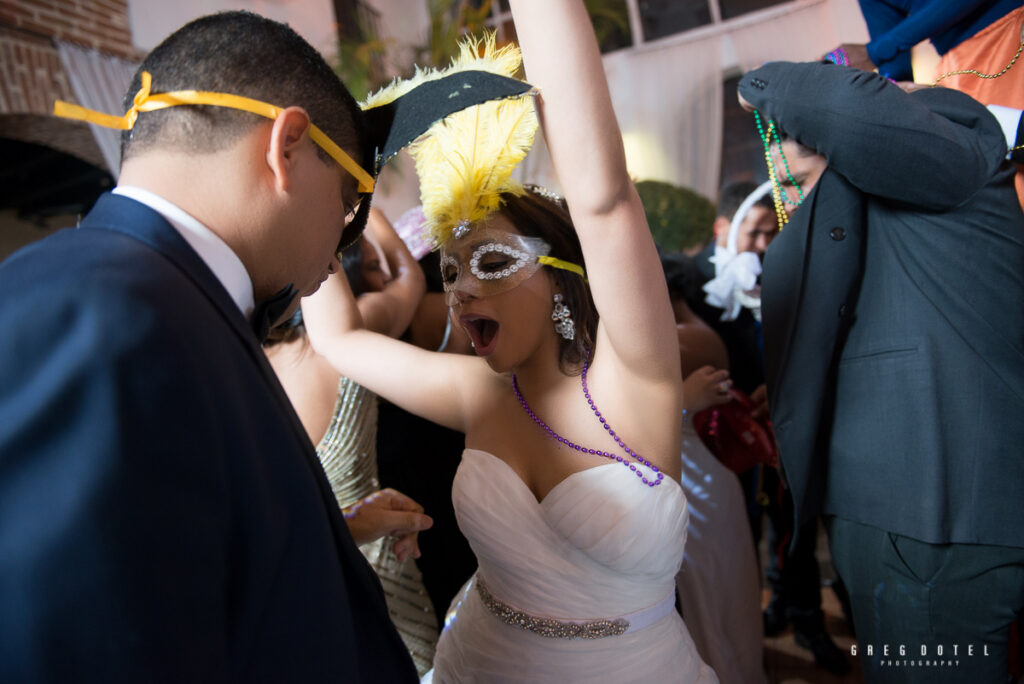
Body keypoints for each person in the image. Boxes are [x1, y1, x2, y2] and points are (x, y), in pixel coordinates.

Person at [0, 12, 422, 681]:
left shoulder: (168, 298)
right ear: (286, 149)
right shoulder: (106, 318)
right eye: (348, 203)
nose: (338, 249)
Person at [301, 2, 716, 680]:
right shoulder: (478, 392)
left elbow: (604, 198)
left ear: (560, 279)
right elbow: (342, 339)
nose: (461, 290)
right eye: (451, 271)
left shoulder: (633, 377)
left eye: (492, 263)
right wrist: (328, 198)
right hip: (478, 659)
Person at [739, 59, 1024, 681]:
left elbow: (841, 98)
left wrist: (753, 83)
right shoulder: (905, 227)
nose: (790, 202)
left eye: (797, 182)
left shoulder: (951, 130)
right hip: (925, 520)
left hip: (929, 520)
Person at [264, 208, 438, 676]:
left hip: (296, 578)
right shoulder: (354, 336)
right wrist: (369, 213)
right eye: (372, 263)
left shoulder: (251, 362)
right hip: (380, 555)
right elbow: (410, 280)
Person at [663, 254, 768, 684]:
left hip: (695, 479)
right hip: (703, 475)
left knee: (705, 588)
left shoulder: (682, 339)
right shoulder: (692, 331)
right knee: (720, 586)